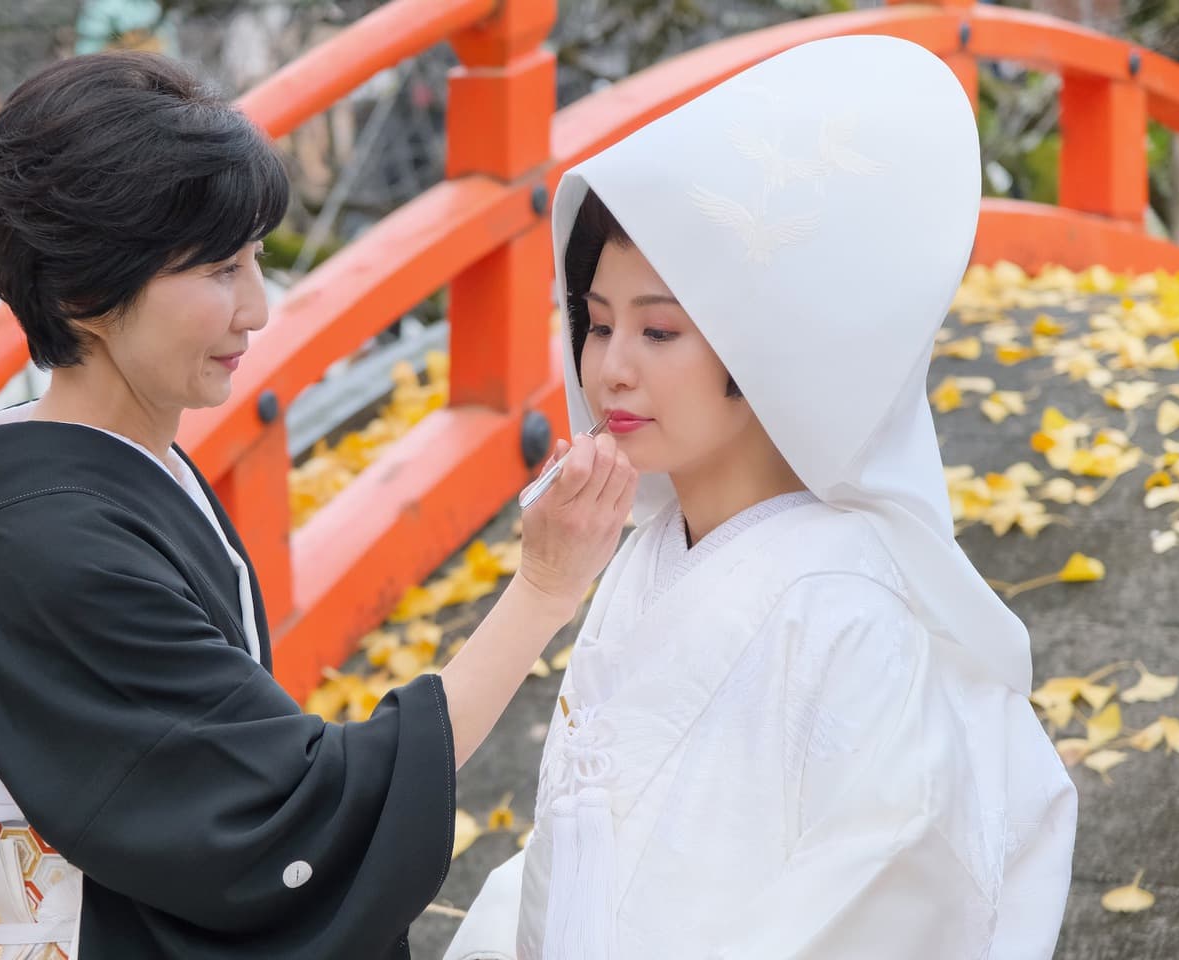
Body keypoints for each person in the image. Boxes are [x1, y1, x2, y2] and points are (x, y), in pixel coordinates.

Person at [0, 51, 636, 960]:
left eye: (257, 259)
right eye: (221, 270)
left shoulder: (119, 479)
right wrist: (542, 587)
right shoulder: (57, 553)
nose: (258, 309)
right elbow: (293, 825)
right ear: (85, 294)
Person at [444, 35, 1076, 960]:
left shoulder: (849, 610)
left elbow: (873, 906)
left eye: (660, 330)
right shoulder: (644, 558)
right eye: (597, 321)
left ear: (761, 342)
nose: (611, 369)